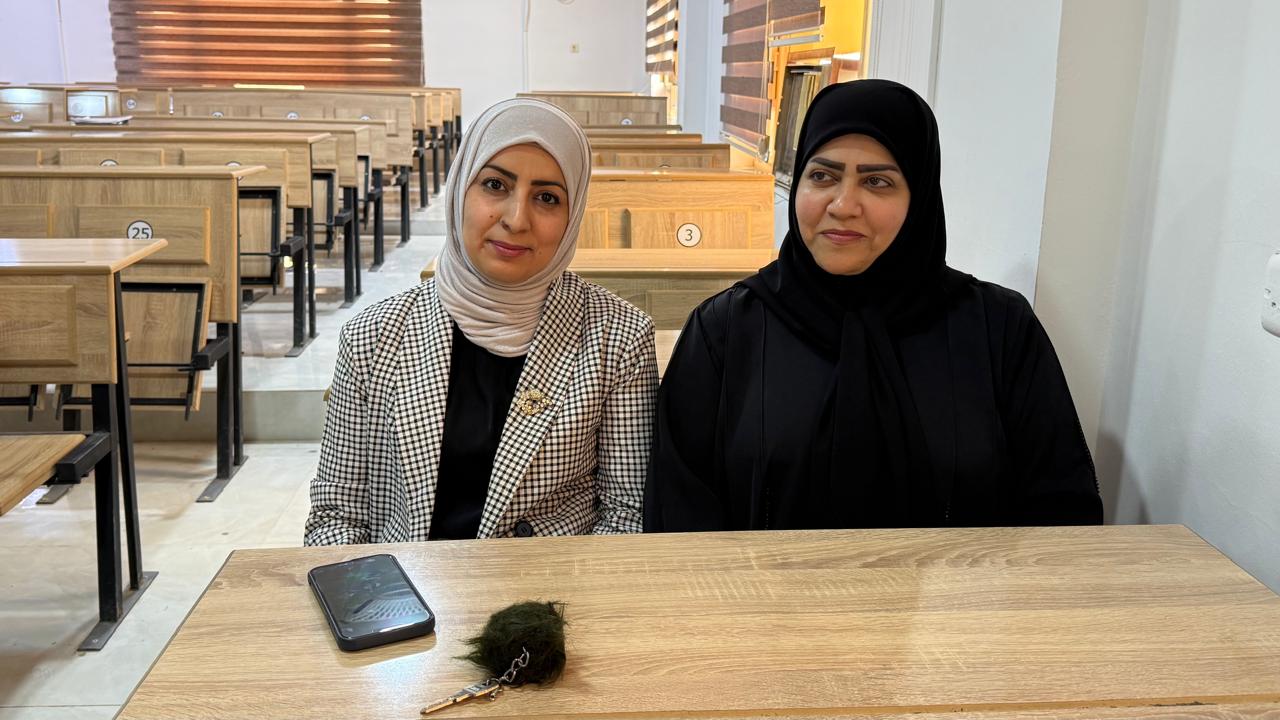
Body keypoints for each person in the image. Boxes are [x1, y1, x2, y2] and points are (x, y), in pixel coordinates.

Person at [644, 80, 1101, 532]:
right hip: (758, 584)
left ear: (920, 196)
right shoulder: (725, 329)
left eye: (877, 182)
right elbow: (678, 515)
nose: (843, 205)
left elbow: (1061, 511)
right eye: (822, 176)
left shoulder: (998, 329)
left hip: (963, 585)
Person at [306, 98, 657, 545]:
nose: (516, 219)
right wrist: (369, 591)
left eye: (547, 198)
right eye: (495, 185)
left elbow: (627, 517)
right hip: (405, 583)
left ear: (572, 217)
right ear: (460, 191)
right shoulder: (374, 336)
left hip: (552, 584)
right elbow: (337, 516)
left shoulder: (619, 337)